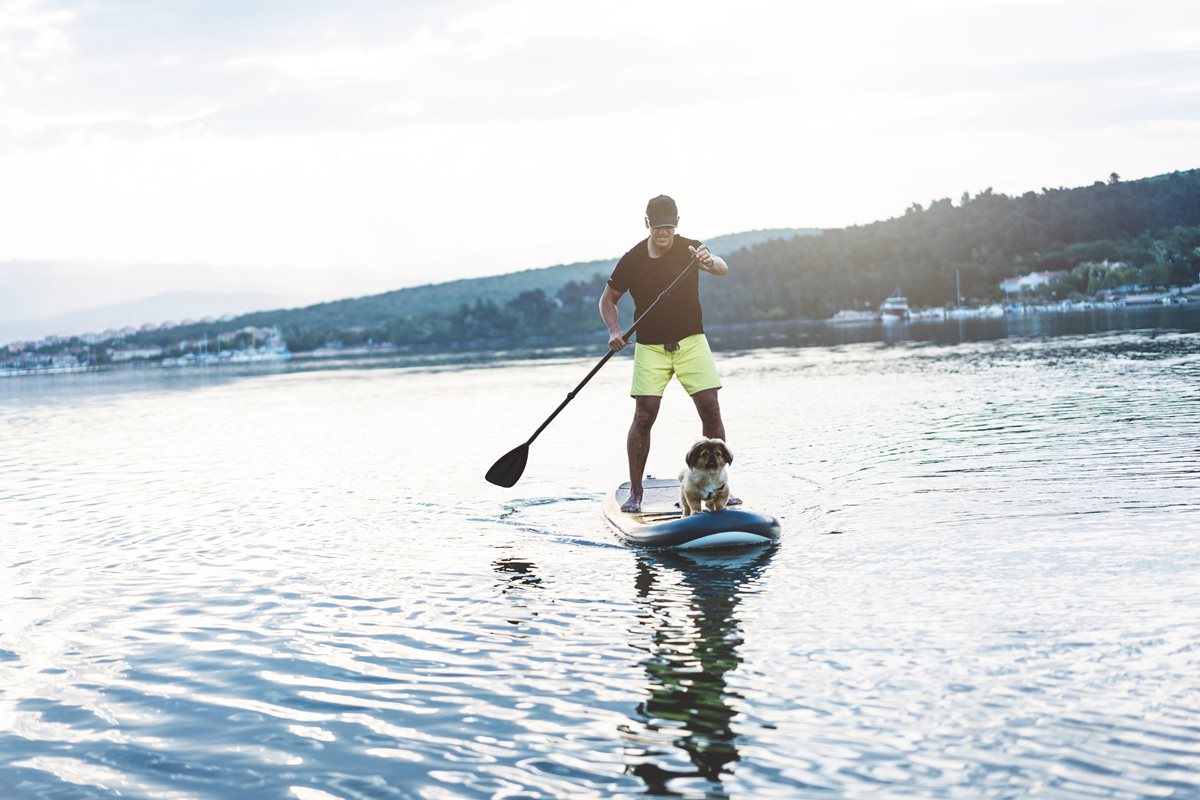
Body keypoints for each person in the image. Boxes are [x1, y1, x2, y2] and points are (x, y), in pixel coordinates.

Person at [598, 194, 735, 513]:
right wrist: (614, 331)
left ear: (677, 224)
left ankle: (718, 488)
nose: (664, 233)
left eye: (669, 227)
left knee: (710, 408)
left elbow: (721, 268)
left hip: (691, 341)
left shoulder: (691, 247)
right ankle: (636, 493)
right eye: (658, 227)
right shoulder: (632, 260)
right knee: (644, 415)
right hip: (650, 347)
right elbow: (607, 300)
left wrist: (709, 261)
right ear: (647, 224)